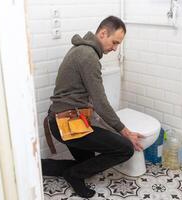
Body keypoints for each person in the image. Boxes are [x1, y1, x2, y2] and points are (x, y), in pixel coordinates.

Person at [43, 16, 144, 198]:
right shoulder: (88, 56)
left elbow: (90, 103)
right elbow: (100, 102)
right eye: (114, 42)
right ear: (103, 33)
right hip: (66, 124)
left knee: (89, 163)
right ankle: (74, 175)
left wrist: (106, 127)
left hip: (63, 121)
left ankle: (42, 166)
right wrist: (125, 132)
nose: (114, 48)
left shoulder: (80, 50)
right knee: (125, 148)